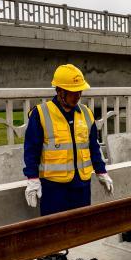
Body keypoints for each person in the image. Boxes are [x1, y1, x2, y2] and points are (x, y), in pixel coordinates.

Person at [23, 64, 114, 215]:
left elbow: (93, 147)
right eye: (72, 92)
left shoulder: (86, 114)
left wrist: (101, 171)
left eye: (79, 91)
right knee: (55, 230)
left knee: (81, 229)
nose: (77, 95)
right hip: (54, 188)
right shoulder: (41, 114)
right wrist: (32, 178)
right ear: (59, 91)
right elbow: (31, 149)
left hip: (82, 186)